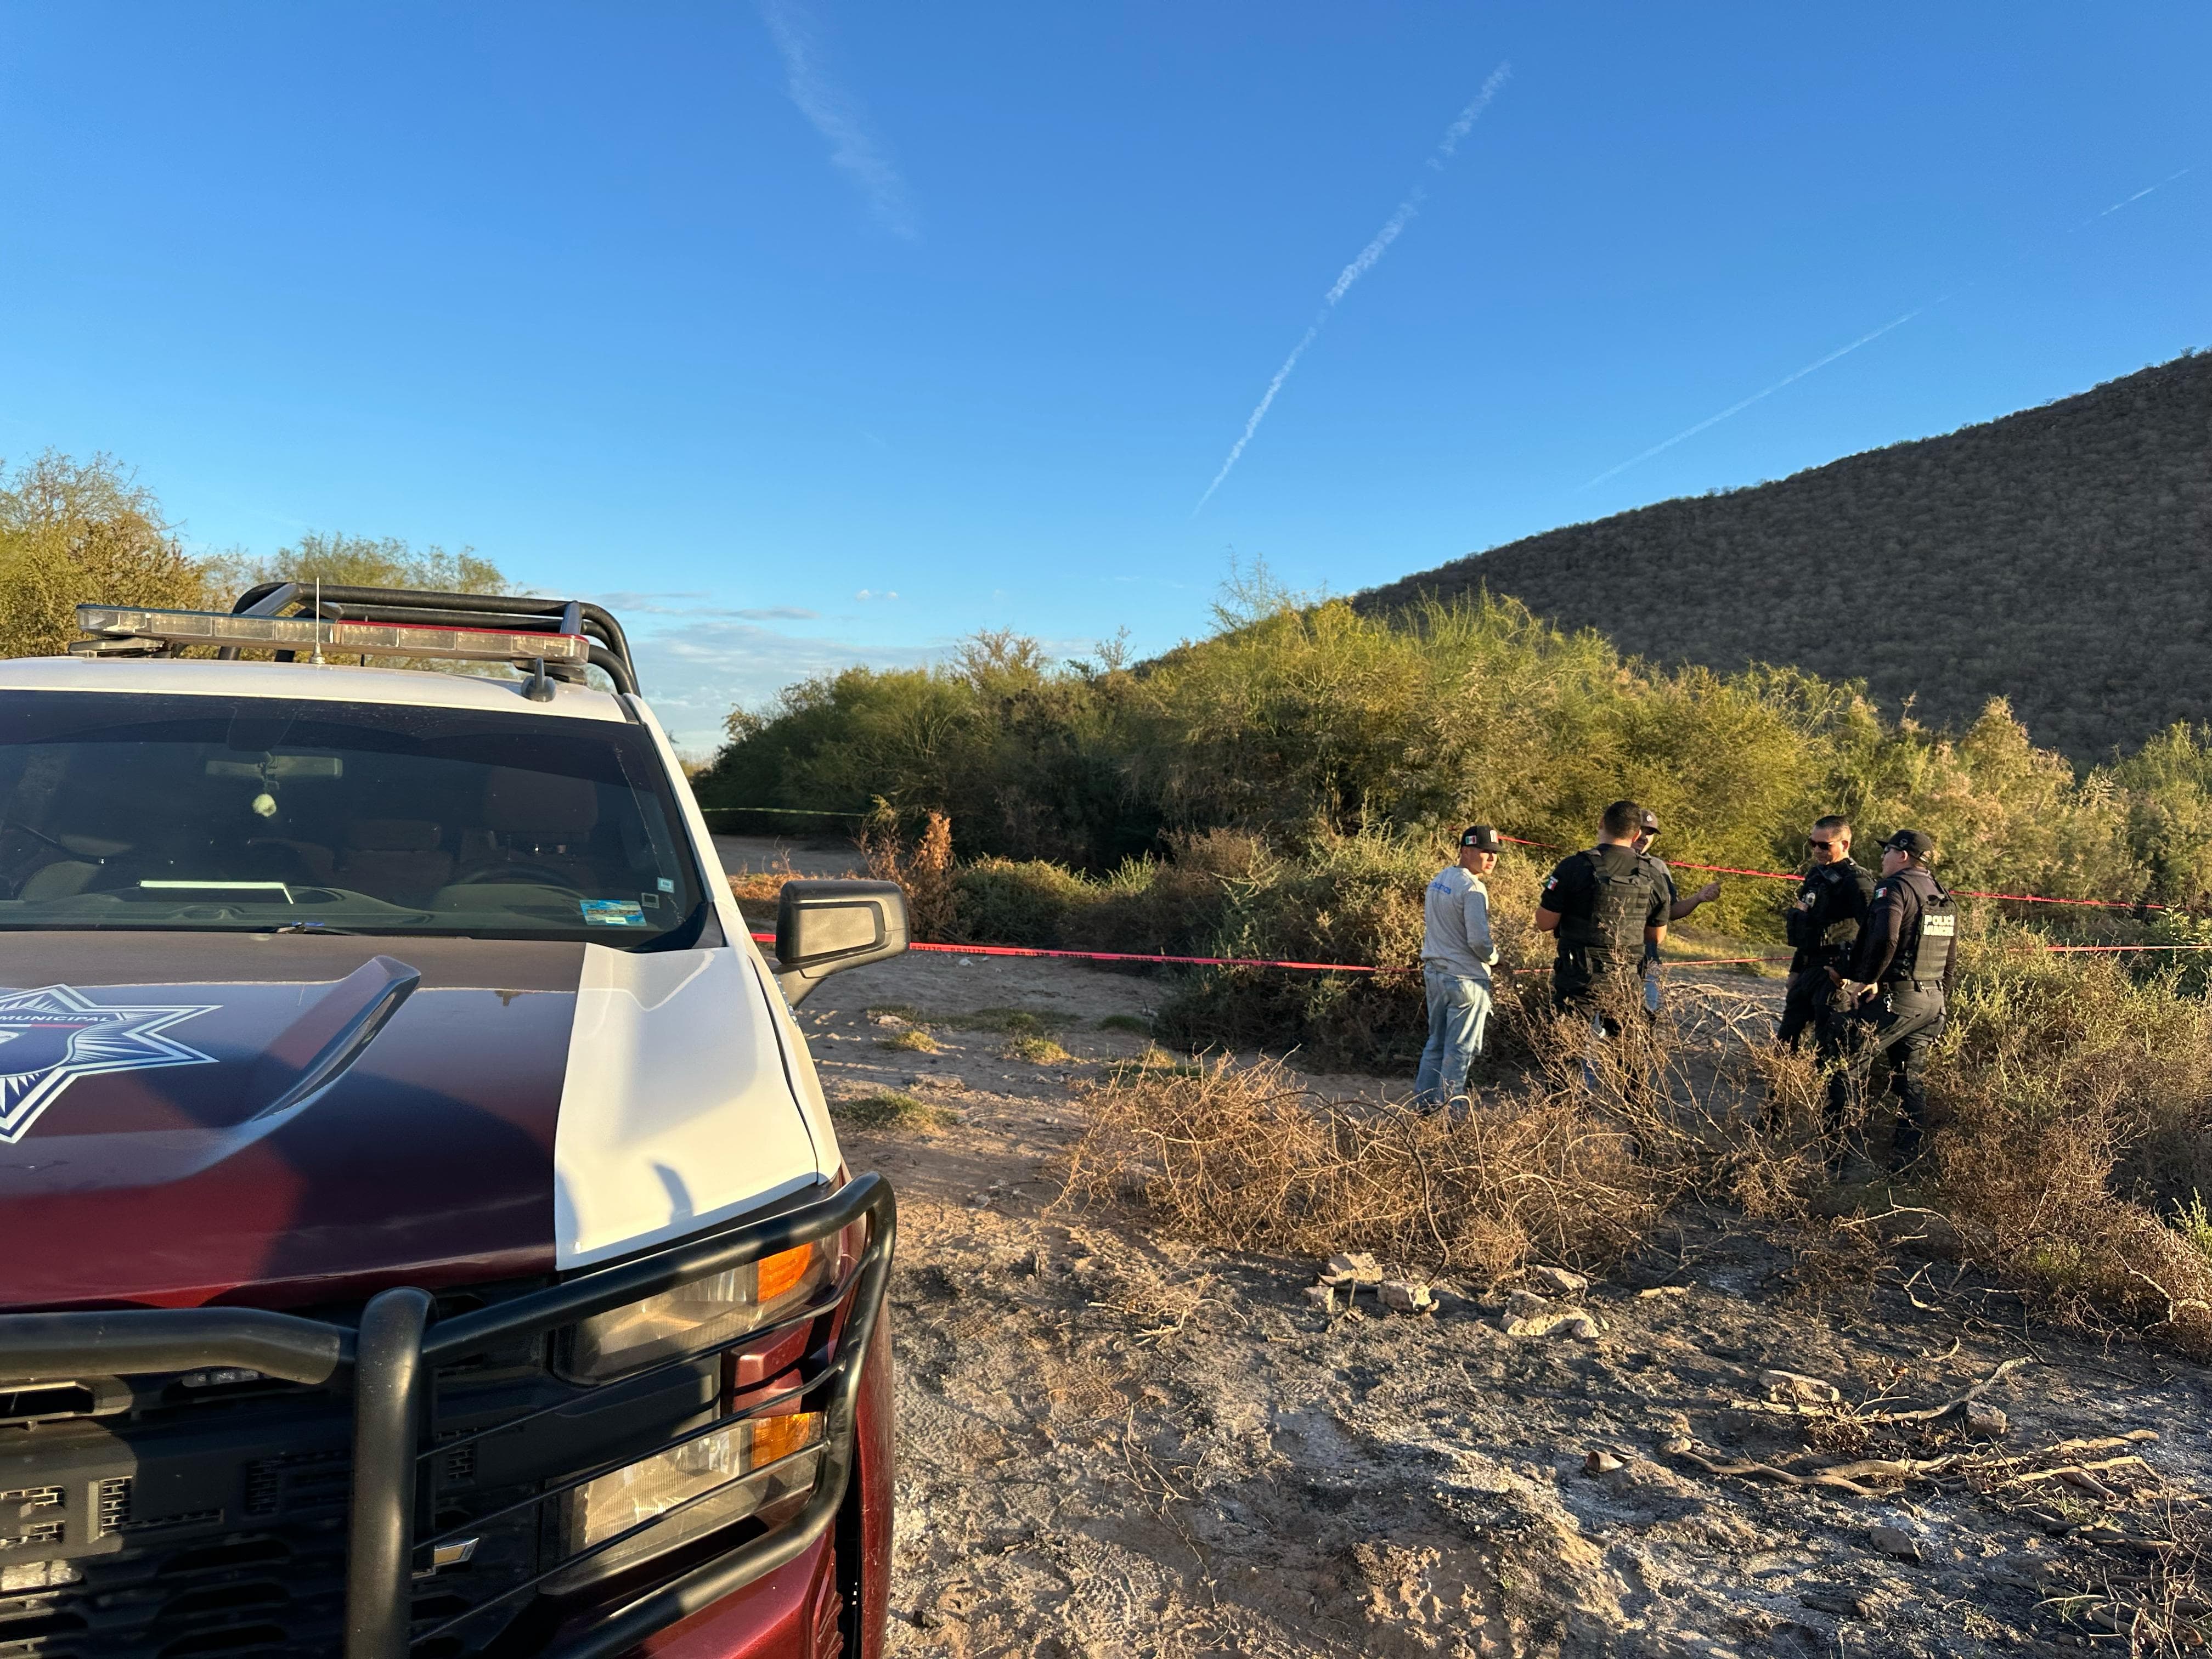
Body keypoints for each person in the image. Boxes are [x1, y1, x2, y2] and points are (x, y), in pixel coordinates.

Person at [1836, 828, 1957, 1170]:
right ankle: (1905, 1163)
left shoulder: (1895, 888)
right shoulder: (1942, 895)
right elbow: (1950, 959)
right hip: (1931, 1001)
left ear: (1903, 855)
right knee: (1909, 1082)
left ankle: (1839, 1161)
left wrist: (1865, 980)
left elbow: (1887, 938)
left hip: (1898, 998)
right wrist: (1938, 999)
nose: (1882, 857)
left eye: (1886, 851)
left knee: (1847, 1066)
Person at [1534, 800, 1670, 1024]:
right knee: (1625, 1053)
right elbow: (1657, 936)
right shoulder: (1653, 875)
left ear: (1601, 824)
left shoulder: (1573, 867)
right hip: (1625, 979)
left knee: (1567, 1048)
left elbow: (1544, 922)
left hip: (1578, 977)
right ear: (1637, 834)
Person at [1413, 825, 1502, 1111]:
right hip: (1466, 979)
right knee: (1460, 1051)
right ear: (1466, 851)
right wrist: (1495, 958)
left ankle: (1424, 1109)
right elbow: (1479, 941)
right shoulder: (1474, 889)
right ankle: (1451, 1117)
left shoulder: (1441, 878)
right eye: (1485, 851)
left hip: (1436, 974)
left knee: (1436, 1044)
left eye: (1495, 853)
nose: (1491, 858)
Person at [1776, 815, 1876, 1052]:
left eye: (1824, 845)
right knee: (1786, 1041)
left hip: (1836, 973)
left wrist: (1866, 977)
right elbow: (1807, 926)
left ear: (1845, 845)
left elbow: (1874, 932)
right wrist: (1796, 970)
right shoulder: (1816, 875)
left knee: (1829, 1045)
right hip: (1809, 968)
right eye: (1813, 844)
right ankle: (1782, 1087)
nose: (1817, 850)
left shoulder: (1858, 881)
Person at [1631, 808, 1721, 1013]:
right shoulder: (1601, 861)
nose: (1644, 837)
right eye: (1640, 830)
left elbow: (1670, 911)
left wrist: (1698, 898)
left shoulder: (1658, 868)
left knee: (1646, 1022)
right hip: (1608, 963)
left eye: (1650, 833)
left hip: (1648, 961)